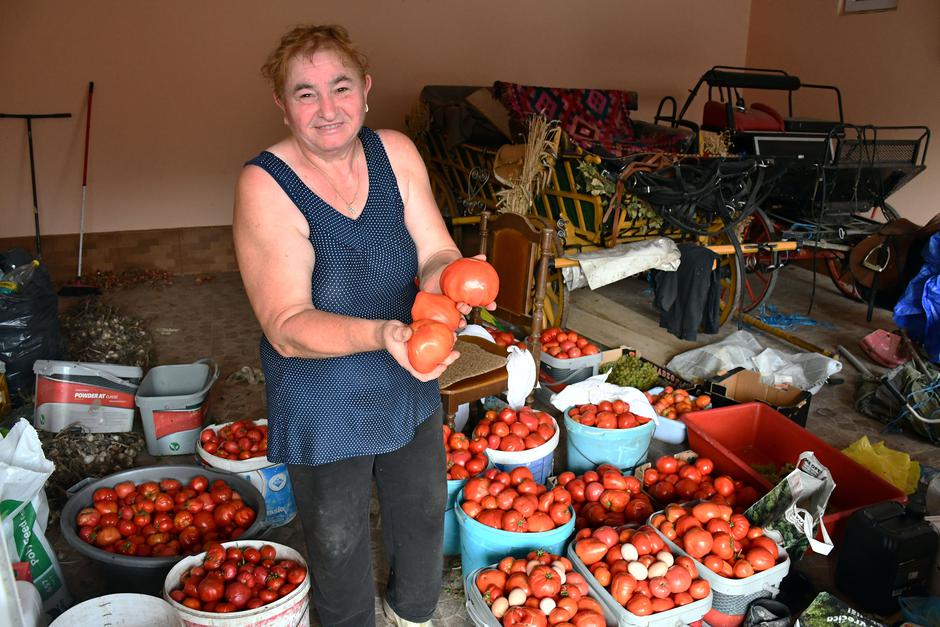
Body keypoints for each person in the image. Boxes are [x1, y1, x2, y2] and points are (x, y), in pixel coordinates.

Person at [233, 24, 472, 627]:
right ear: (282, 106)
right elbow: (286, 323)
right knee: (338, 546)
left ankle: (412, 615)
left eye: (339, 87)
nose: (327, 108)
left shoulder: (395, 152)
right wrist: (383, 335)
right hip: (323, 398)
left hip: (408, 377)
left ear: (365, 91)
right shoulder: (265, 185)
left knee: (420, 517)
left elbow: (435, 251)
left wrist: (455, 281)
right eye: (305, 92)